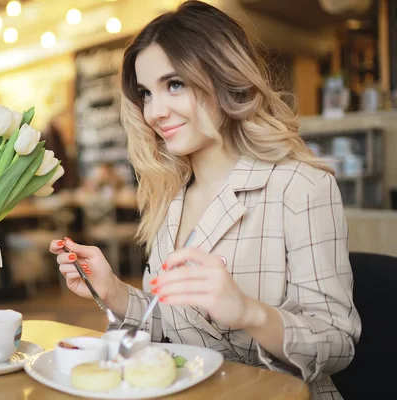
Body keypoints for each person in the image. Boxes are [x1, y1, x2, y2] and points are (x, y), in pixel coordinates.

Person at [49, 1, 361, 399]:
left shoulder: (301, 186)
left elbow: (337, 344)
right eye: (146, 93)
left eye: (174, 84)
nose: (155, 112)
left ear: (225, 77)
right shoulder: (168, 194)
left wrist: (249, 313)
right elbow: (178, 327)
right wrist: (114, 292)